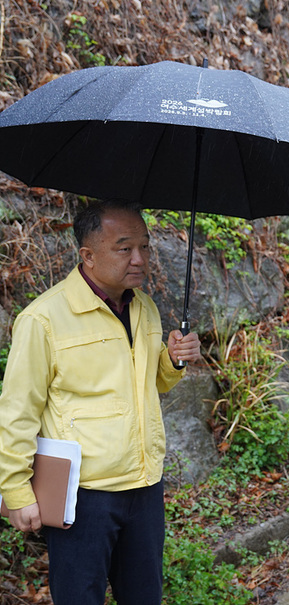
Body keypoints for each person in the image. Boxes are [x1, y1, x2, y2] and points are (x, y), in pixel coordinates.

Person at [0, 198, 201, 605]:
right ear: (87, 255)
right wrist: (17, 492)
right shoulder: (43, 319)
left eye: (144, 246)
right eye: (124, 248)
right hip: (82, 493)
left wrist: (172, 360)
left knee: (144, 596)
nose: (139, 258)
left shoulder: (142, 307)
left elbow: (150, 384)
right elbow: (17, 412)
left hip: (144, 487)